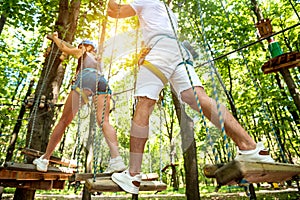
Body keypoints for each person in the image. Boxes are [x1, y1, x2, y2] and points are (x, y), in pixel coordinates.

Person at [107, 0, 275, 194]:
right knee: (197, 97)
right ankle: (251, 147)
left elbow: (115, 11)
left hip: (160, 50)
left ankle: (133, 174)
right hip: (178, 51)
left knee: (144, 103)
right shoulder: (167, 10)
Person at [33, 32, 126, 173]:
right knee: (104, 121)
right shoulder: (98, 60)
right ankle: (117, 160)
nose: (79, 47)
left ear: (87, 47)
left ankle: (45, 159)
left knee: (64, 120)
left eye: (82, 45)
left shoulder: (83, 52)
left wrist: (55, 38)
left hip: (86, 79)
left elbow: (64, 47)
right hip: (101, 82)